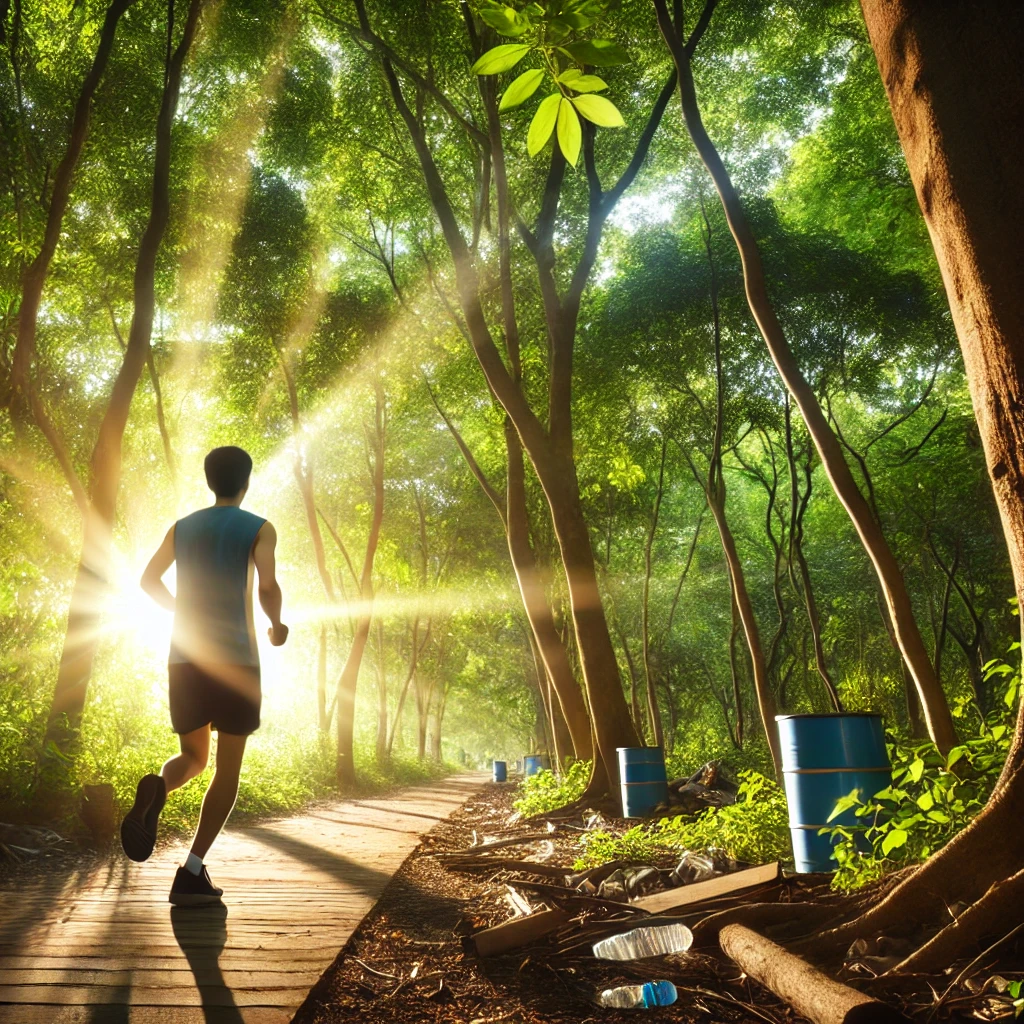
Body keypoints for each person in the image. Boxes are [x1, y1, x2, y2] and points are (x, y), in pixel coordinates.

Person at [121, 446, 288, 906]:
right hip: (236, 663)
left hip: (185, 659)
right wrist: (276, 625)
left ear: (209, 480)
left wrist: (182, 612)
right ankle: (192, 871)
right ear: (246, 481)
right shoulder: (259, 527)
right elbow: (268, 587)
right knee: (225, 771)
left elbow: (148, 580)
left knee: (192, 758)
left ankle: (158, 788)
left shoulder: (182, 527)